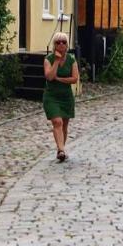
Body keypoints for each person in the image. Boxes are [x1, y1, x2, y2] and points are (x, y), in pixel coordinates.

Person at [42, 32, 79, 162]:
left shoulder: (71, 59)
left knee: (64, 125)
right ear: (54, 45)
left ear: (67, 44)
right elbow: (49, 77)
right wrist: (57, 61)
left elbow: (74, 79)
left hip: (66, 96)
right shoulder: (48, 59)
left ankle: (60, 148)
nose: (61, 44)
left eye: (63, 42)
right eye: (58, 42)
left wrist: (60, 79)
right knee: (57, 122)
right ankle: (62, 150)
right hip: (51, 96)